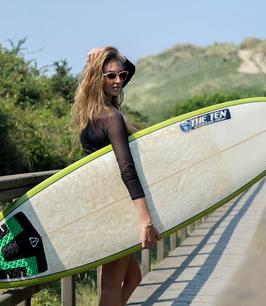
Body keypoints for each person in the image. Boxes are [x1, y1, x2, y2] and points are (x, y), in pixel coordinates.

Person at [71, 46, 160, 306]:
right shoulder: (111, 117)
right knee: (111, 286)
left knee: (132, 278)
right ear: (97, 78)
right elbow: (127, 169)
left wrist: (109, 54)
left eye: (120, 75)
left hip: (102, 205)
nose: (119, 80)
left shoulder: (91, 113)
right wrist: (145, 219)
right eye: (110, 76)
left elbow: (128, 69)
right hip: (116, 208)